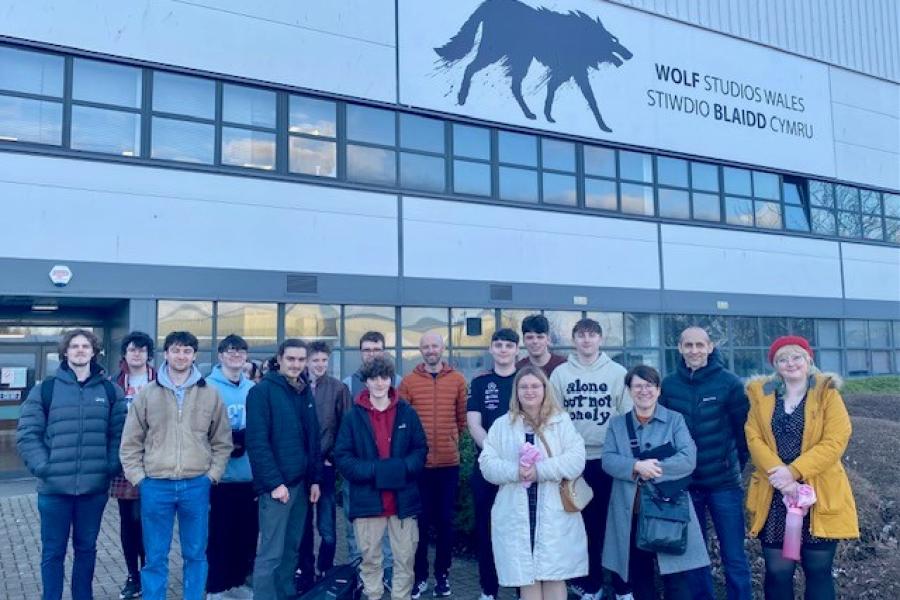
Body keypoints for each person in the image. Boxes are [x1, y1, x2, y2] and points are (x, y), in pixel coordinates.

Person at [119, 330, 233, 600]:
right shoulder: (147, 394)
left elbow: (222, 441)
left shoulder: (210, 394)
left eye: (187, 351)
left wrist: (212, 475)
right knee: (155, 556)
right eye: (176, 350)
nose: (181, 356)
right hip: (155, 485)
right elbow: (130, 443)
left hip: (196, 484)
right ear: (166, 353)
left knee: (195, 554)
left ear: (194, 355)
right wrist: (140, 479)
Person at [745, 336, 858, 600]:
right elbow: (753, 437)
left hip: (818, 493)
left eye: (796, 356)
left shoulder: (827, 394)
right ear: (775, 365)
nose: (790, 363)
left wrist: (793, 472)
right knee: (777, 572)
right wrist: (783, 479)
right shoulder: (762, 397)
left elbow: (836, 440)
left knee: (818, 571)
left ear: (809, 360)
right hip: (774, 496)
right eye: (782, 359)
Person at [17, 328, 127, 600]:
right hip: (54, 491)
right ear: (65, 352)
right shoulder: (46, 390)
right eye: (74, 346)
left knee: (86, 550)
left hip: (93, 490)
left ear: (94, 351)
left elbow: (120, 435)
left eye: (85, 346)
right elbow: (28, 434)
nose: (80, 350)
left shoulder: (110, 391)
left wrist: (109, 467)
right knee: (53, 552)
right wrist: (45, 468)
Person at [479, 365, 588, 600]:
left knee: (553, 574)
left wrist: (539, 471)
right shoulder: (502, 425)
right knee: (526, 576)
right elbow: (487, 464)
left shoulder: (561, 422)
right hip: (517, 511)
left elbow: (576, 460)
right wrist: (515, 472)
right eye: (524, 386)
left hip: (553, 510)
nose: (529, 391)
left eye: (535, 386)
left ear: (545, 389)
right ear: (516, 391)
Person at [602, 365, 710, 600]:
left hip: (669, 510)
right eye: (638, 386)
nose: (644, 391)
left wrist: (653, 469)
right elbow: (608, 460)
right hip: (633, 512)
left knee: (677, 578)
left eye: (649, 385)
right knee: (640, 576)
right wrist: (635, 467)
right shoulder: (617, 424)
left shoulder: (675, 420)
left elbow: (688, 459)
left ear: (658, 390)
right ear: (629, 390)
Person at [659, 327, 751, 600]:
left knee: (734, 555)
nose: (694, 350)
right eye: (688, 345)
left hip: (724, 485)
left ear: (710, 347)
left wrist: (731, 465)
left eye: (700, 345)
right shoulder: (669, 385)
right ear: (679, 348)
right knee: (696, 559)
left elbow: (743, 434)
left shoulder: (730, 383)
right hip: (687, 487)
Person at [548, 318, 631, 600]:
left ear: (600, 339)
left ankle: (622, 588)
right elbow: (554, 418)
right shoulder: (560, 374)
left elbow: (626, 416)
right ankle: (593, 585)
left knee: (617, 526)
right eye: (581, 335)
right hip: (576, 462)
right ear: (574, 340)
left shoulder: (617, 372)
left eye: (592, 335)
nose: (586, 340)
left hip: (610, 460)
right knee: (585, 527)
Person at [334, 356, 428, 600]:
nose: (379, 383)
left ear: (391, 379)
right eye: (373, 378)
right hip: (367, 502)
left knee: (405, 560)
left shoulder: (407, 413)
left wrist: (398, 470)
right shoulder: (352, 417)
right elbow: (343, 458)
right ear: (365, 381)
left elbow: (420, 451)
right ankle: (373, 596)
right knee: (370, 561)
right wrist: (376, 471)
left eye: (384, 377)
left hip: (403, 502)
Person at [246, 339, 322, 600]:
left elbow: (313, 439)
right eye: (291, 359)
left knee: (291, 550)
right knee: (271, 554)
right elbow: (257, 443)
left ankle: (286, 595)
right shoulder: (261, 392)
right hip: (278, 488)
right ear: (279, 359)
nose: (296, 364)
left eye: (301, 360)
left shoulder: (304, 391)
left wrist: (315, 480)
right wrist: (274, 484)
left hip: (301, 486)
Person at [399, 331, 468, 599]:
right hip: (421, 467)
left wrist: (451, 441)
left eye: (434, 346)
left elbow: (462, 420)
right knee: (420, 524)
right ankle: (420, 577)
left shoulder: (458, 380)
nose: (430, 350)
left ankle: (443, 575)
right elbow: (403, 424)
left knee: (445, 523)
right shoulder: (409, 382)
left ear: (442, 348)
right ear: (420, 350)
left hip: (449, 465)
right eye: (426, 346)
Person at [467, 328, 520, 600]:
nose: (503, 350)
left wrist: (516, 458)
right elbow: (473, 424)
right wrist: (495, 453)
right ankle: (488, 590)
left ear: (516, 351)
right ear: (491, 349)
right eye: (498, 345)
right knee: (486, 530)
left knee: (520, 531)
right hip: (487, 468)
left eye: (508, 345)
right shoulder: (480, 383)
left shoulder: (527, 381)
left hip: (522, 470)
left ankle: (524, 589)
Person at [205, 334, 257, 599]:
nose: (236, 355)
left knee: (245, 536)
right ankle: (216, 587)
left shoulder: (252, 388)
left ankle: (238, 584)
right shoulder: (207, 387)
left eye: (241, 351)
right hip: (220, 477)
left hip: (248, 476)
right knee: (219, 536)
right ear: (221, 355)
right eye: (230, 351)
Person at [296, 341, 351, 592]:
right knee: (303, 525)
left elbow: (346, 427)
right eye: (315, 360)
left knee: (327, 527)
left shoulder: (338, 388)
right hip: (300, 468)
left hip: (326, 466)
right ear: (307, 361)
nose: (319, 365)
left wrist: (333, 458)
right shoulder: (296, 386)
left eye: (324, 361)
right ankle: (305, 573)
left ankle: (325, 569)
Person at [341, 331, 393, 584]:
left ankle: (387, 572)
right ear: (360, 353)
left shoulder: (398, 383)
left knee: (388, 524)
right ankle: (358, 572)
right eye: (367, 350)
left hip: (387, 469)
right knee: (355, 524)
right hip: (359, 470)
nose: (372, 354)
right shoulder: (348, 385)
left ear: (384, 352)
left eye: (376, 349)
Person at [110, 331, 156, 600]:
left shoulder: (161, 381)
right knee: (128, 521)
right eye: (131, 350)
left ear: (148, 354)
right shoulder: (114, 384)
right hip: (124, 462)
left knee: (151, 521)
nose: (136, 354)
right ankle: (133, 576)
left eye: (141, 350)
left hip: (155, 461)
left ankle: (150, 571)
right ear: (125, 354)